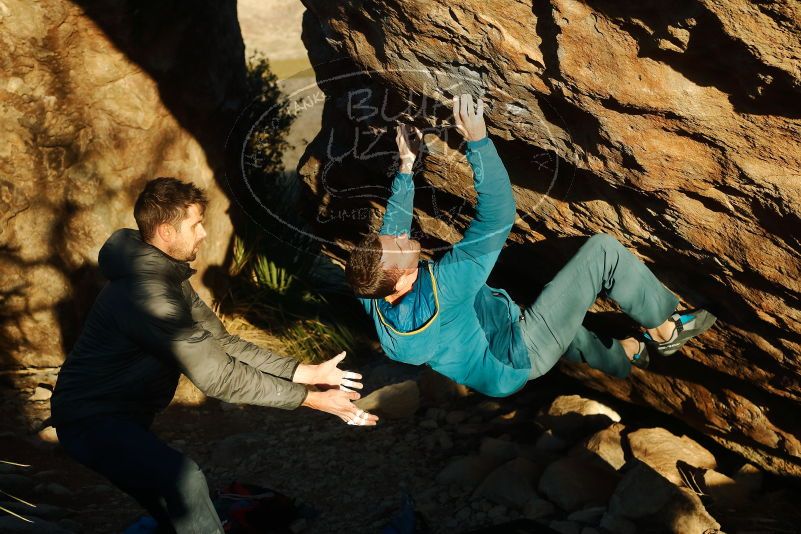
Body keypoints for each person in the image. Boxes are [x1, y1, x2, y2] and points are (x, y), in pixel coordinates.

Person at [51, 177, 377, 534]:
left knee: (174, 504)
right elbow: (217, 376)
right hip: (90, 419)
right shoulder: (148, 295)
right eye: (195, 224)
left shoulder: (164, 276)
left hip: (121, 415)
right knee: (184, 481)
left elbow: (222, 344)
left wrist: (306, 372)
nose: (204, 233)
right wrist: (312, 401)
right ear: (165, 232)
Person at [345, 94, 716, 398]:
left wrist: (407, 168)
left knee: (564, 321)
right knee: (602, 253)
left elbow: (389, 234)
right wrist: (477, 141)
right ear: (403, 282)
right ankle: (663, 331)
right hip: (518, 354)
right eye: (398, 246)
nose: (401, 236)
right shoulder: (444, 287)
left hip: (491, 352)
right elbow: (497, 216)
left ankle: (625, 358)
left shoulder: (374, 293)